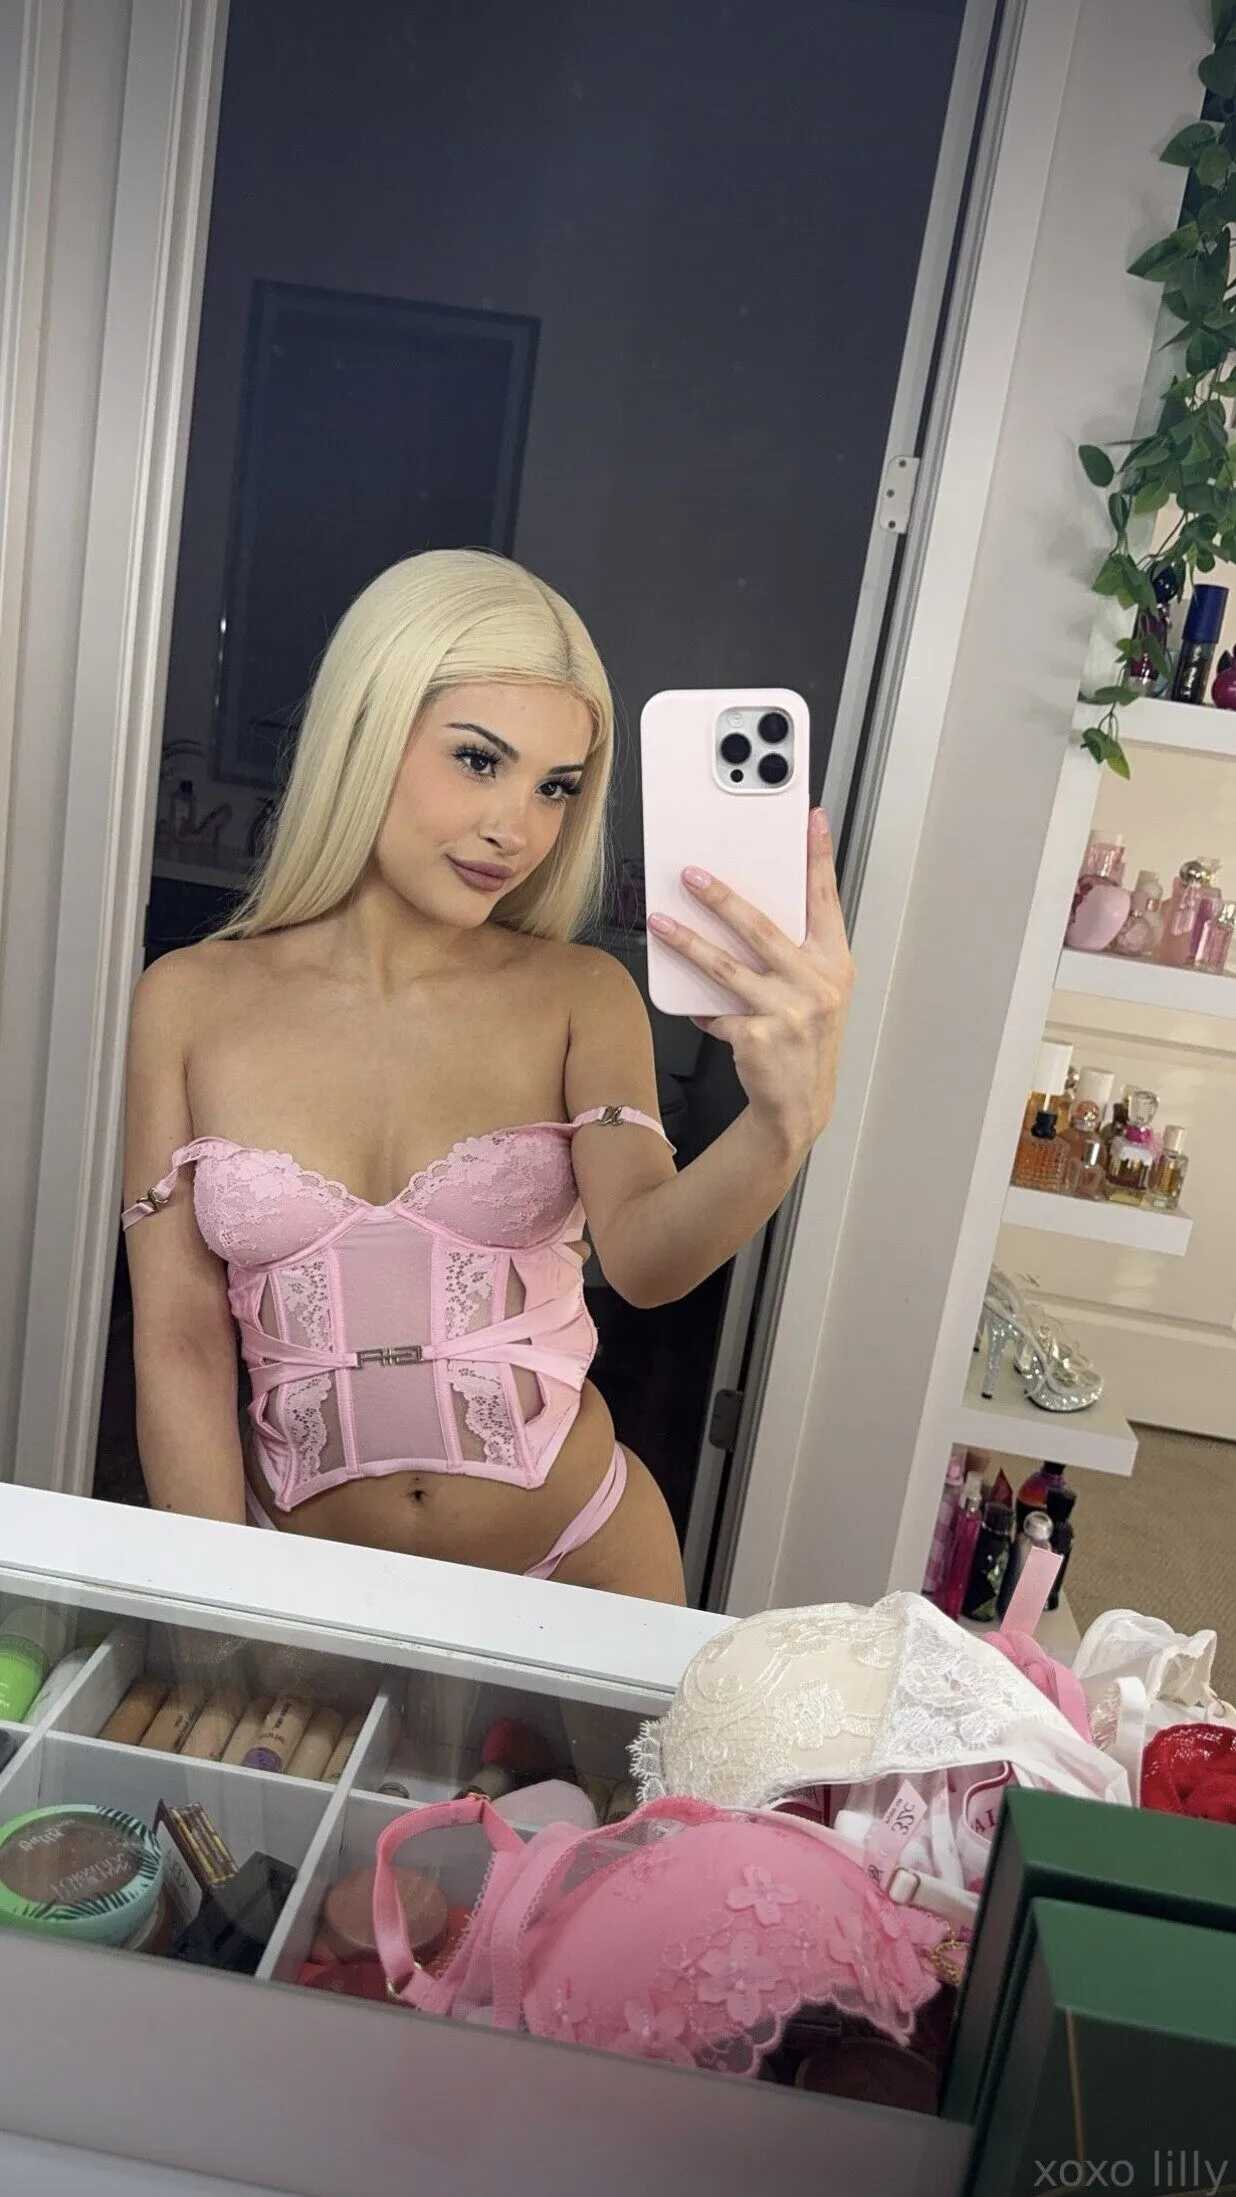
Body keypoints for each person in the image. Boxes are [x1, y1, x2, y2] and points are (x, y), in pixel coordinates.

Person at [122, 551, 853, 1603]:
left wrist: (783, 1126)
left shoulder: (579, 992)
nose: (518, 828)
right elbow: (181, 1340)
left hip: (583, 1561)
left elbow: (646, 1261)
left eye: (556, 787)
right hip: (299, 1576)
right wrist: (215, 1615)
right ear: (367, 730)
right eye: (478, 760)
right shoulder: (187, 1000)